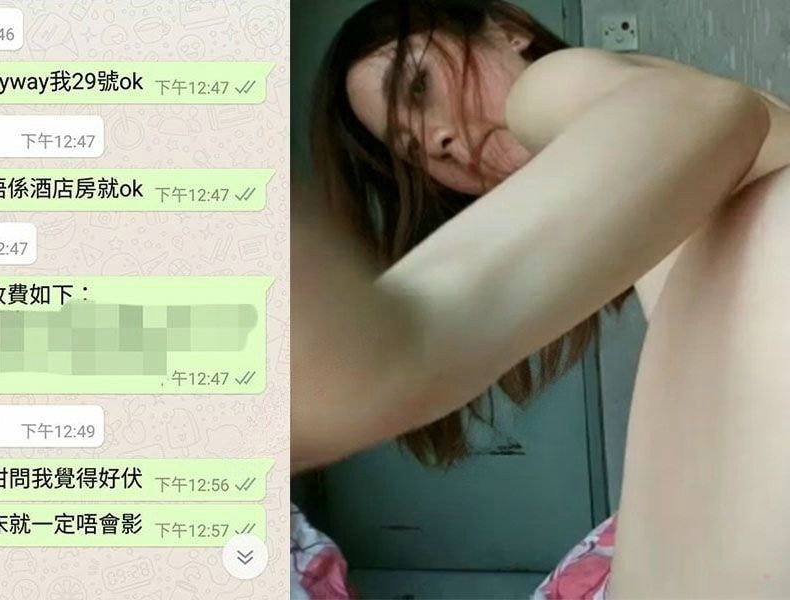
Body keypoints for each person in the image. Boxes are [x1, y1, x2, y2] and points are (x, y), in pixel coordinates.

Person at [291, 0, 789, 597]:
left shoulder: (552, 84)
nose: (437, 141)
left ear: (508, 32)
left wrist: (407, 341)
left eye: (419, 86)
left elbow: (695, 109)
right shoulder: (682, 212)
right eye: (410, 148)